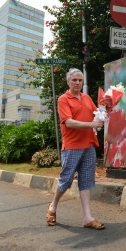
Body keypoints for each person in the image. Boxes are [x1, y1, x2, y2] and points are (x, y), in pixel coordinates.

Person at [46, 68, 105, 229]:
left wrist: (107, 108)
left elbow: (97, 113)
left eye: (80, 80)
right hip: (72, 146)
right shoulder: (63, 100)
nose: (78, 82)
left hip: (88, 146)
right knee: (65, 180)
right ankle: (52, 207)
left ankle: (87, 218)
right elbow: (69, 122)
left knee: (86, 181)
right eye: (74, 80)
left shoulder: (86, 98)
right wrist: (92, 124)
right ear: (68, 82)